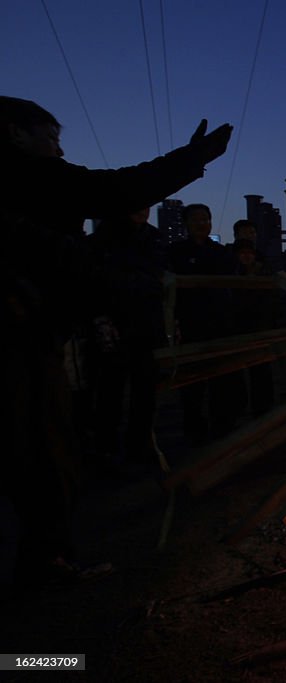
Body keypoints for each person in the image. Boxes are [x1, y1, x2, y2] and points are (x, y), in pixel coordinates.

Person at [0, 96, 231, 587]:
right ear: (16, 134)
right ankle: (45, 566)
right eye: (51, 139)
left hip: (34, 331)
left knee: (38, 448)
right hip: (19, 340)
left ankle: (42, 557)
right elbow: (117, 188)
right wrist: (194, 158)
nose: (58, 152)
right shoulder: (23, 175)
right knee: (44, 450)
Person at [88, 207, 166, 467]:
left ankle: (139, 446)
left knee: (145, 393)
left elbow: (161, 277)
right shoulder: (104, 238)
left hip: (146, 324)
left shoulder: (154, 238)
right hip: (116, 324)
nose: (142, 209)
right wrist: (102, 318)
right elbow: (96, 278)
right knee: (110, 390)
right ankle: (105, 447)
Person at [166, 204, 242, 443]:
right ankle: (194, 431)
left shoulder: (220, 253)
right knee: (193, 382)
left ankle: (222, 428)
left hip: (220, 323)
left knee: (222, 379)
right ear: (186, 224)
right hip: (190, 324)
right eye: (196, 219)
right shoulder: (175, 253)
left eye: (205, 219)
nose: (202, 224)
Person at [231, 238, 275, 415]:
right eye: (242, 253)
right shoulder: (232, 273)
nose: (246, 256)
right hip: (238, 326)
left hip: (260, 325)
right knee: (237, 371)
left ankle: (262, 408)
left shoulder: (264, 272)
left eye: (249, 253)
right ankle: (239, 407)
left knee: (261, 370)